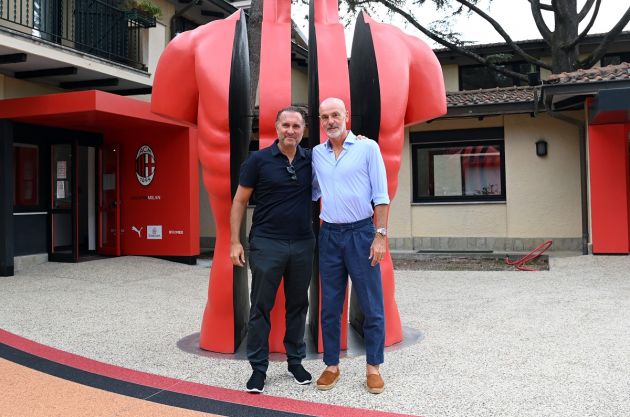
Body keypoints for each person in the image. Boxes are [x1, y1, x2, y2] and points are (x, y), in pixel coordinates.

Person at [230, 106, 315, 393]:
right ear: (276, 127)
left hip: (303, 243)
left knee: (297, 305)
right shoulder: (258, 160)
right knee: (261, 307)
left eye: (296, 126)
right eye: (286, 125)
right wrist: (234, 241)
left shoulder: (312, 159)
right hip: (267, 243)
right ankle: (258, 368)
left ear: (303, 130)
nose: (291, 130)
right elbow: (239, 201)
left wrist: (360, 140)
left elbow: (343, 155)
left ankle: (295, 362)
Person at [312, 97, 390, 394]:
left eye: (335, 114)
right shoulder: (317, 154)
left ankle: (373, 367)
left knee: (371, 304)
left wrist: (380, 235)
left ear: (346, 115)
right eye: (324, 117)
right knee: (330, 305)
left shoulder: (368, 148)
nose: (330, 121)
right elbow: (312, 190)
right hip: (329, 235)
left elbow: (381, 196)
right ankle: (332, 365)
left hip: (361, 233)